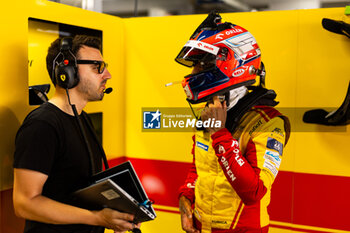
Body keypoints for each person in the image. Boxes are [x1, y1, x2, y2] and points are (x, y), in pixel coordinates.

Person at [176, 12, 290, 233]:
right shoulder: (211, 111)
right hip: (201, 226)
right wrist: (186, 197)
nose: (193, 72)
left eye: (201, 64)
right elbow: (199, 168)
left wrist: (219, 133)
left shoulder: (269, 123)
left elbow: (253, 192)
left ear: (232, 64)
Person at [13, 35, 139, 233]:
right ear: (67, 72)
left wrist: (118, 213)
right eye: (97, 67)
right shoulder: (42, 125)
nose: (107, 75)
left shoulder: (82, 118)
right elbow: (24, 203)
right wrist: (97, 218)